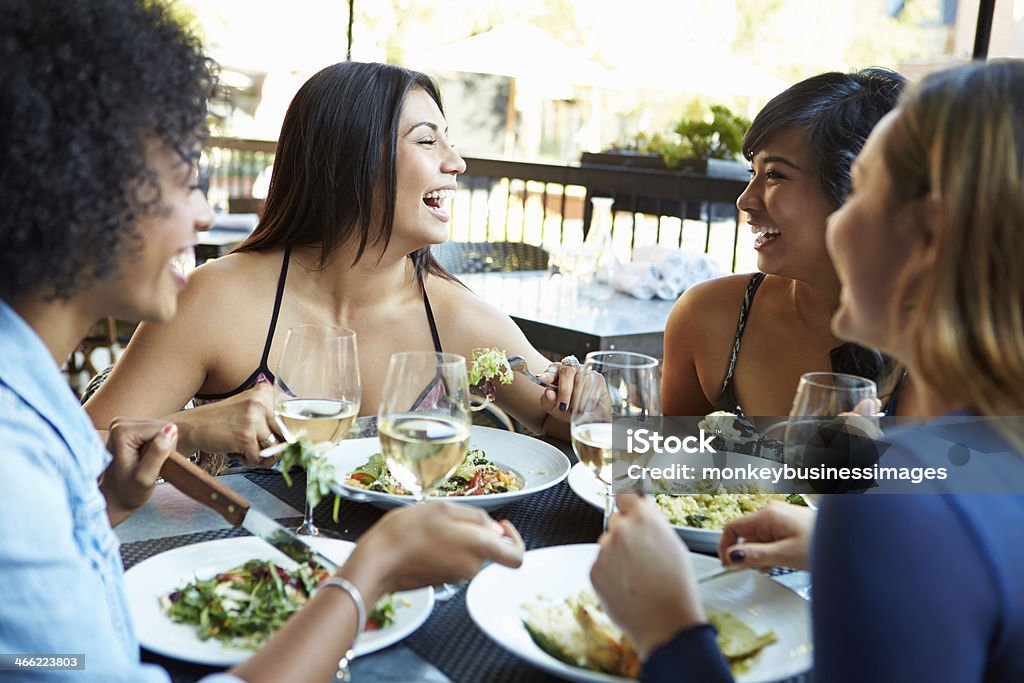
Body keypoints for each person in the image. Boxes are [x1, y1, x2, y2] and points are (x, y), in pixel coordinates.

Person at [0, 2, 524, 681]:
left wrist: (110, 504)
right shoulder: (14, 459)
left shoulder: (30, 419)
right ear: (87, 186)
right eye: (187, 174)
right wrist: (369, 573)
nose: (207, 211)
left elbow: (48, 654)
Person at [591, 60, 1024, 682]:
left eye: (864, 190)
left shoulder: (903, 507)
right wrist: (840, 548)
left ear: (926, 236)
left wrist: (668, 628)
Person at [85, 60, 576, 470]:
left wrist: (584, 398)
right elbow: (72, 453)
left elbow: (563, 422)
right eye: (427, 142)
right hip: (250, 572)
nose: (457, 163)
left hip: (411, 576)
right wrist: (189, 430)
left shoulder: (456, 319)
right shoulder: (218, 299)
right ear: (350, 160)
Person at [661, 68, 912, 420]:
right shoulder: (707, 317)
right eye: (753, 172)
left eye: (775, 174)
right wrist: (583, 416)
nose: (744, 200)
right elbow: (661, 462)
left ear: (860, 193)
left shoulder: (940, 352)